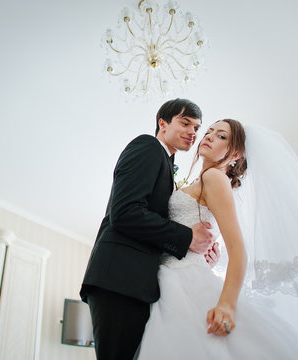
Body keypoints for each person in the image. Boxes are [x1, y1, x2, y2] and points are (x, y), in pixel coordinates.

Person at [136, 120, 298, 359]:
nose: (210, 136)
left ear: (235, 154)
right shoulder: (199, 180)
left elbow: (238, 249)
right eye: (209, 132)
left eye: (221, 135)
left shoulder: (214, 177)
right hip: (176, 272)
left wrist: (226, 305)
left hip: (183, 280)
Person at [80, 99, 218, 360]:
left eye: (197, 128)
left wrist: (201, 248)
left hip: (137, 283)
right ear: (162, 124)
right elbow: (125, 213)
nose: (193, 132)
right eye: (185, 122)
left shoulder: (166, 164)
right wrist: (188, 237)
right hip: (120, 279)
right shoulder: (148, 146)